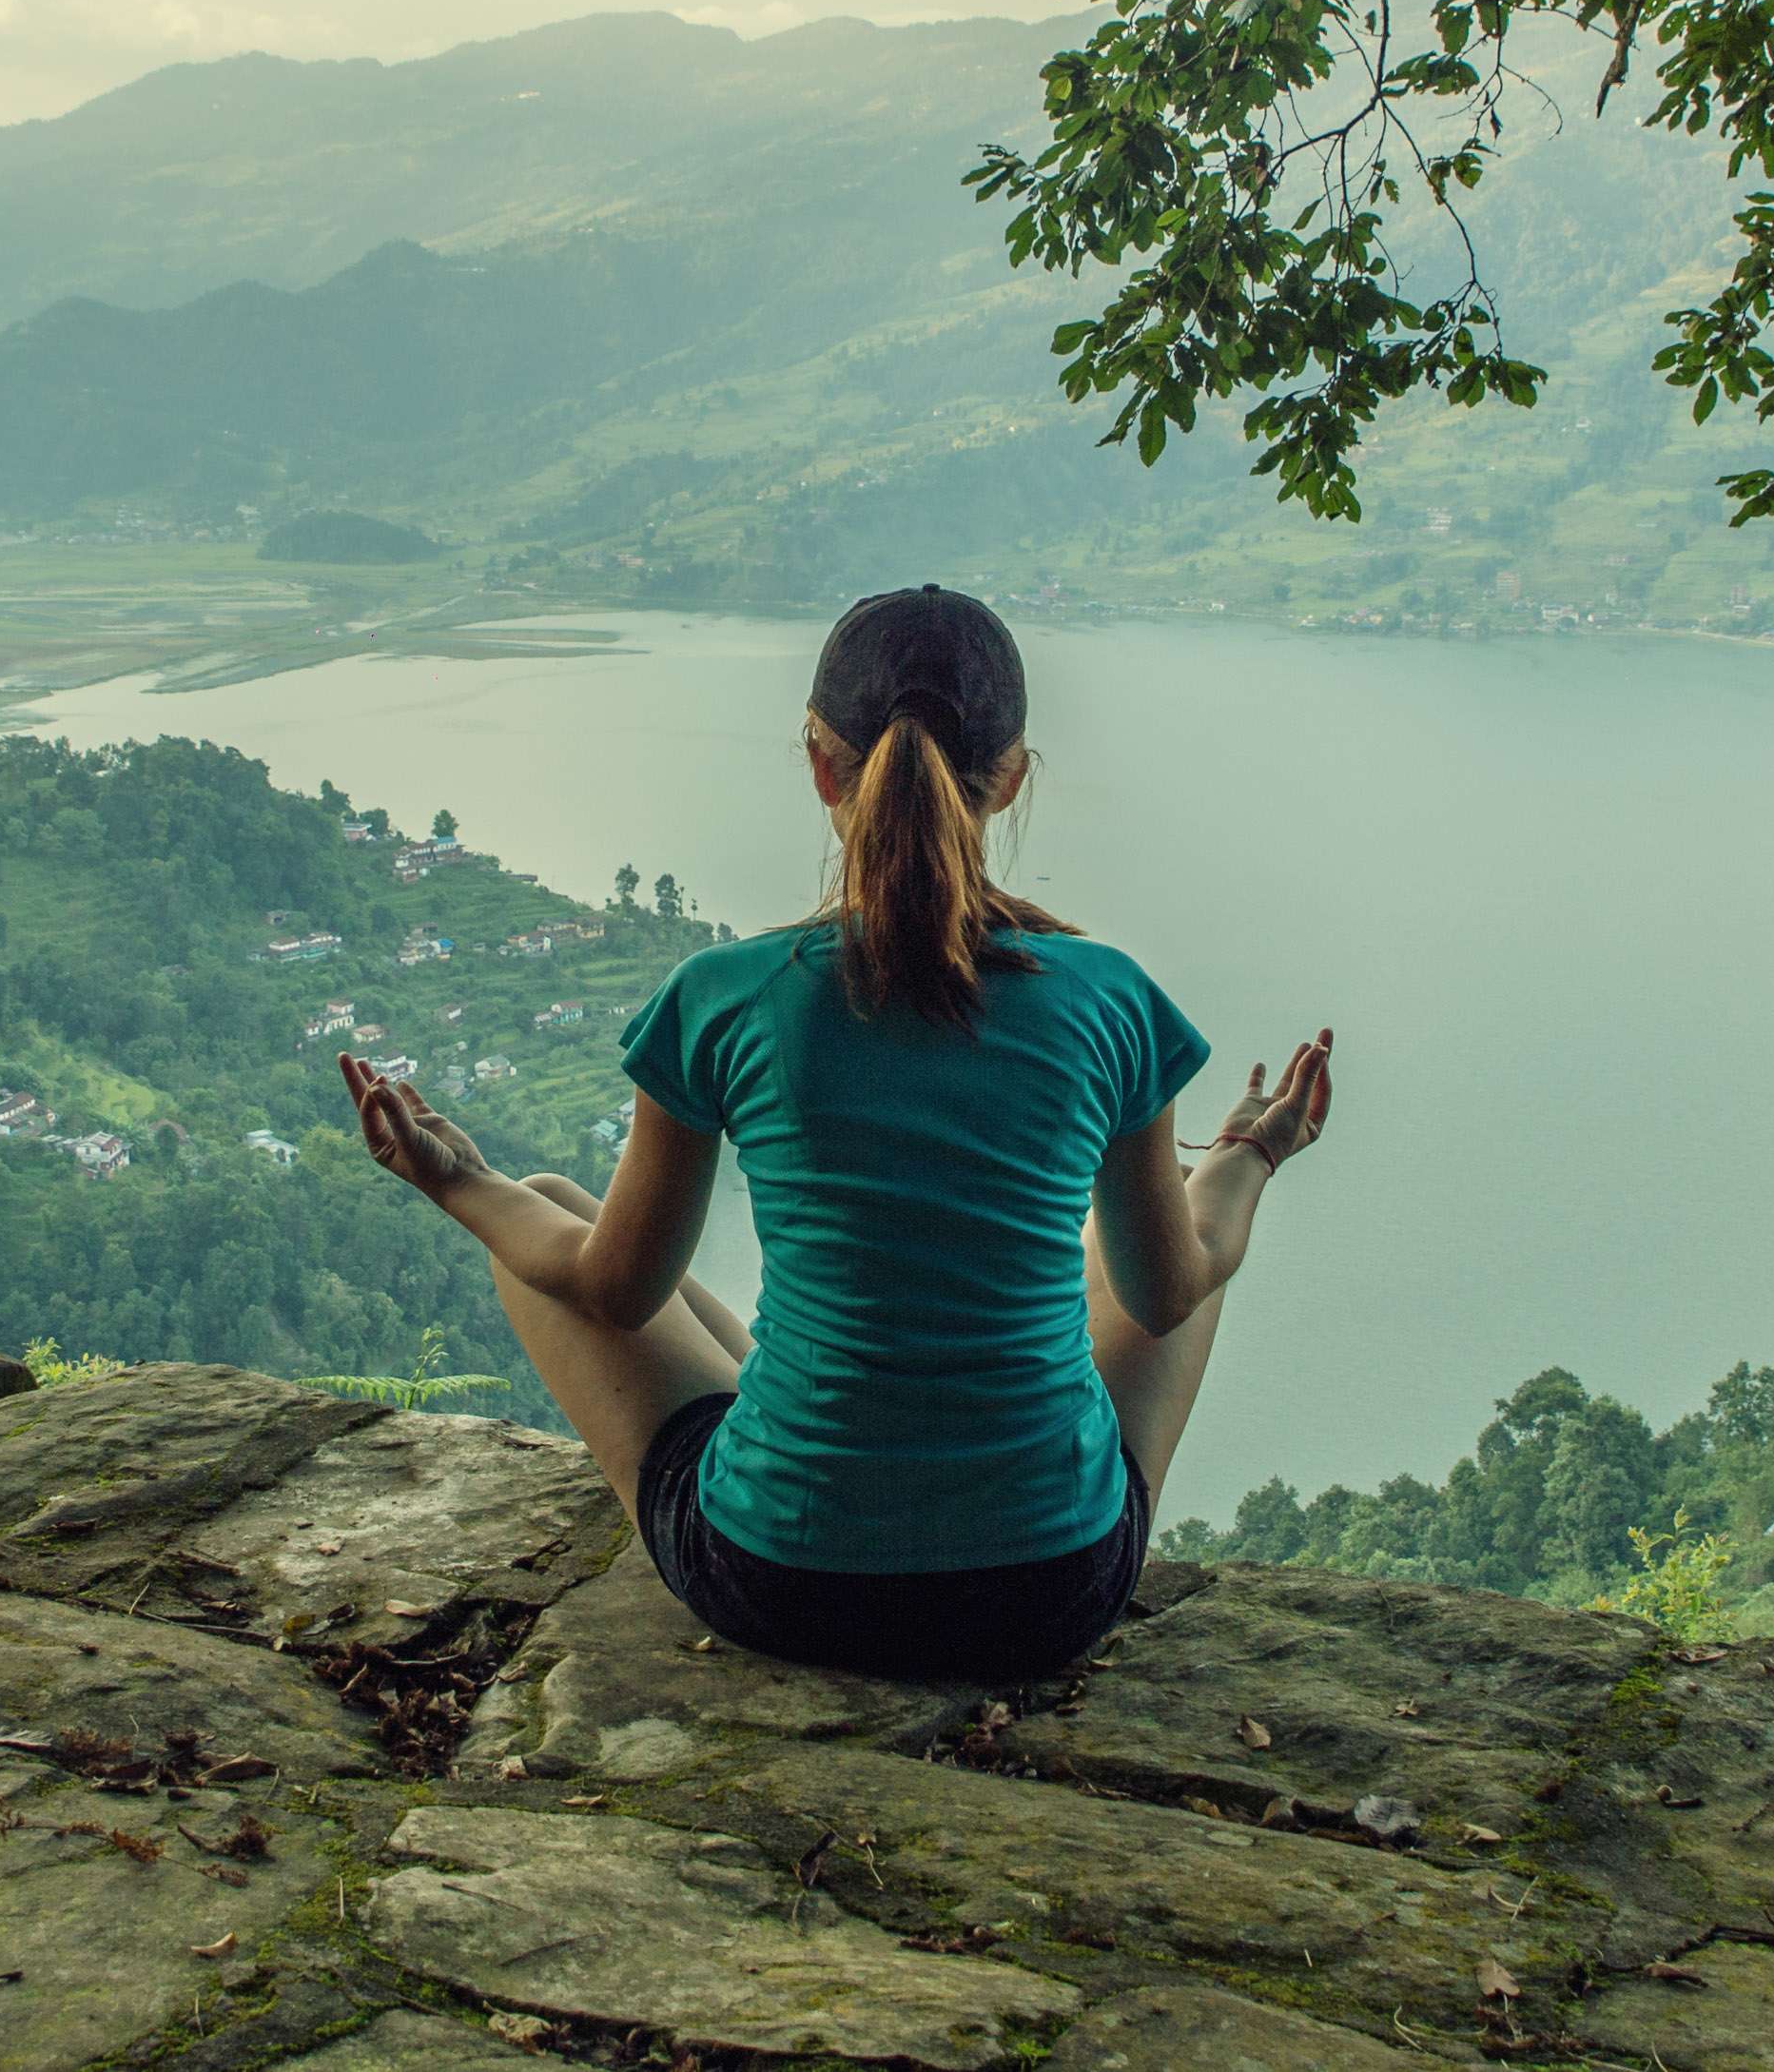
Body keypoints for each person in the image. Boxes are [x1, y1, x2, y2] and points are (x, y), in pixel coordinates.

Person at [342, 583, 1332, 1684]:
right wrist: (1248, 1156)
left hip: (783, 1582)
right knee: (1167, 1245)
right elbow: (1166, 1297)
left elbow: (612, 1291)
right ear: (1009, 778)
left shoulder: (728, 996)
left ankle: (826, 1451)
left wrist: (458, 1181)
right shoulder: (1108, 999)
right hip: (1045, 1591)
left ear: (821, 764)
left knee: (542, 1217)